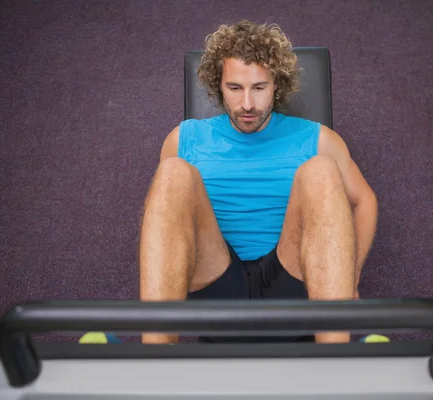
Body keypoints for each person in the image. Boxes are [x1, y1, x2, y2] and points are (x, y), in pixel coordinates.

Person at [138, 20, 378, 344]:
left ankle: (335, 366)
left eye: (259, 88)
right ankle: (155, 366)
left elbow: (364, 201)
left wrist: (351, 276)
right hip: (216, 280)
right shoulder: (185, 138)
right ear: (217, 85)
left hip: (289, 278)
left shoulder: (317, 138)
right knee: (172, 174)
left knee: (320, 170)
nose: (247, 104)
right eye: (235, 88)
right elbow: (168, 224)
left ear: (276, 85)